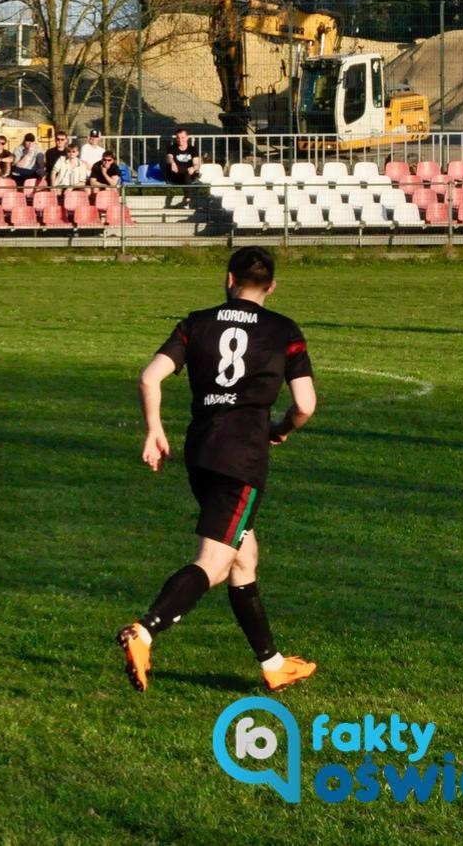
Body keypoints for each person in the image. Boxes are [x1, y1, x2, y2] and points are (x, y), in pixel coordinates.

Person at [118, 246, 319, 695]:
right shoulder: (284, 330)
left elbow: (150, 377)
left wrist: (153, 430)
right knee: (214, 560)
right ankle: (145, 630)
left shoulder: (196, 322)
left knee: (243, 556)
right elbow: (305, 405)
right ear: (271, 285)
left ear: (229, 280)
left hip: (202, 452)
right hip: (242, 459)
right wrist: (281, 428)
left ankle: (273, 664)